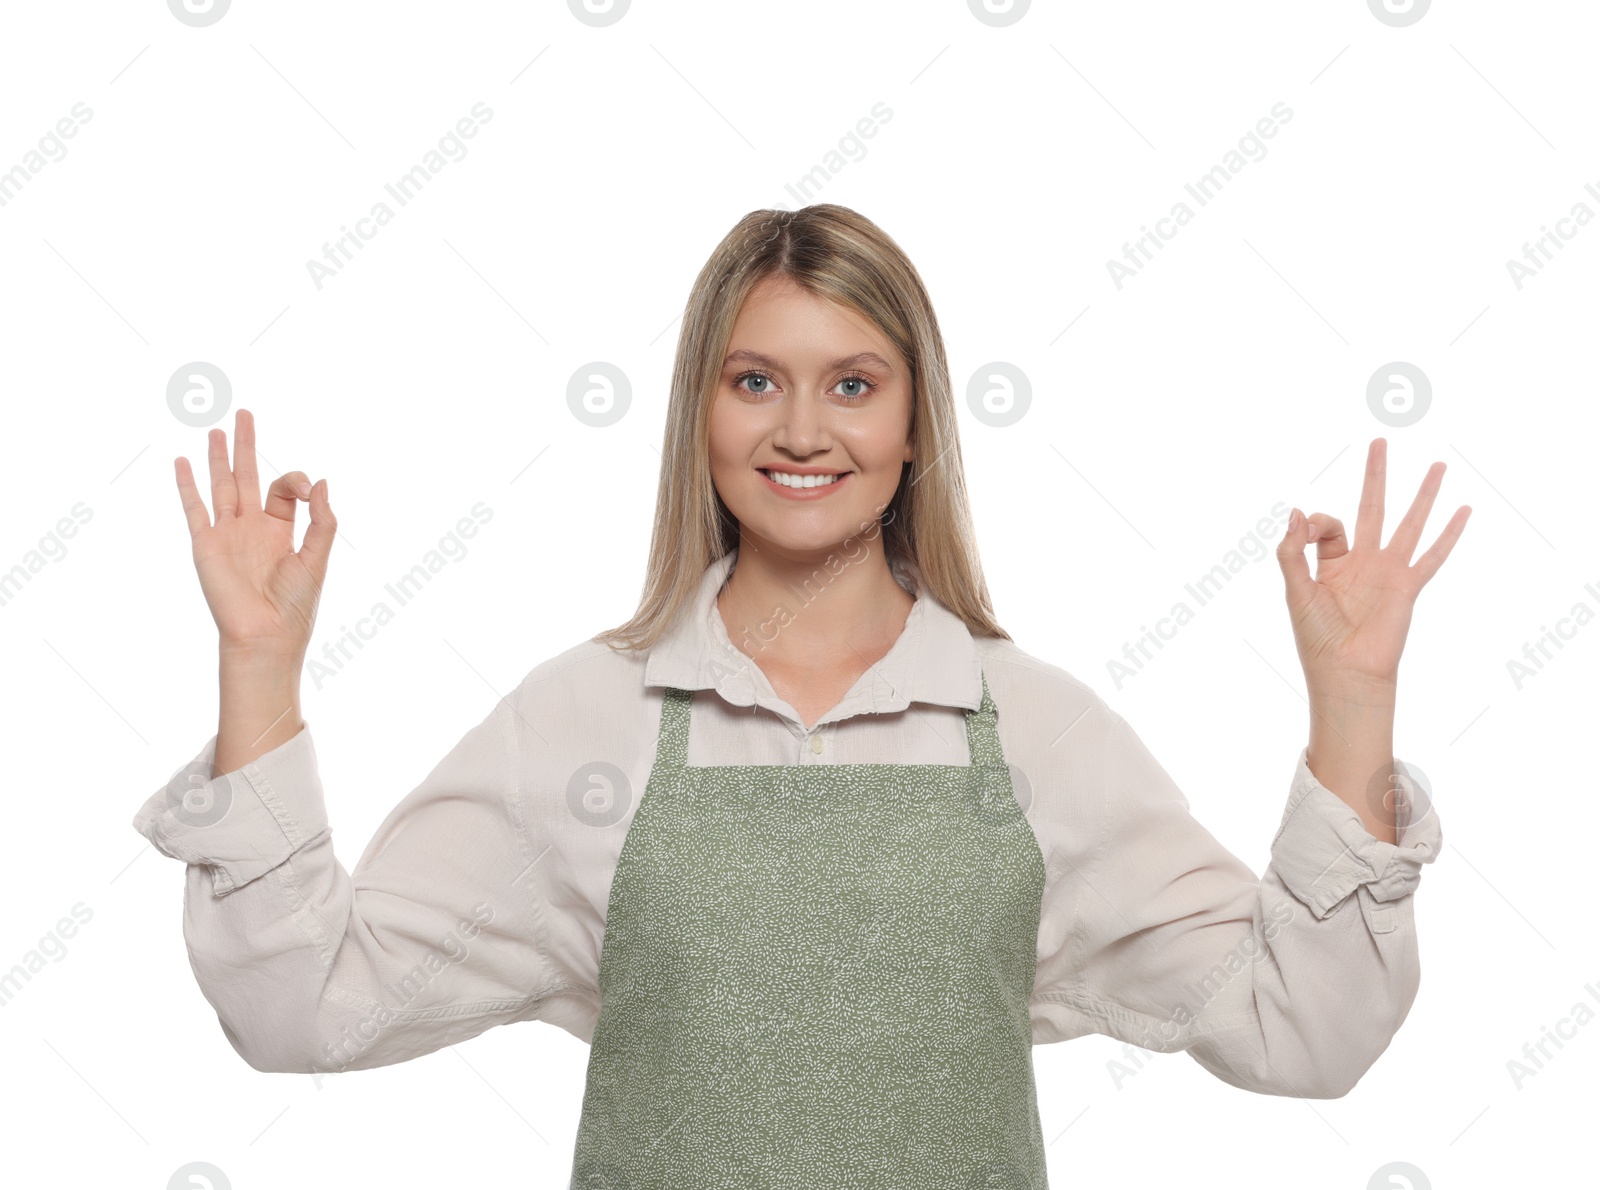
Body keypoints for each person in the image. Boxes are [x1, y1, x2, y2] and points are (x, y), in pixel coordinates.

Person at [134, 204, 1463, 1190]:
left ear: (912, 424)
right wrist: (259, 664)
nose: (803, 432)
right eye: (756, 379)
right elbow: (304, 1006)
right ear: (701, 413)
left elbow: (1305, 1031)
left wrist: (1353, 701)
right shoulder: (587, 720)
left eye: (853, 384)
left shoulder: (1037, 732)